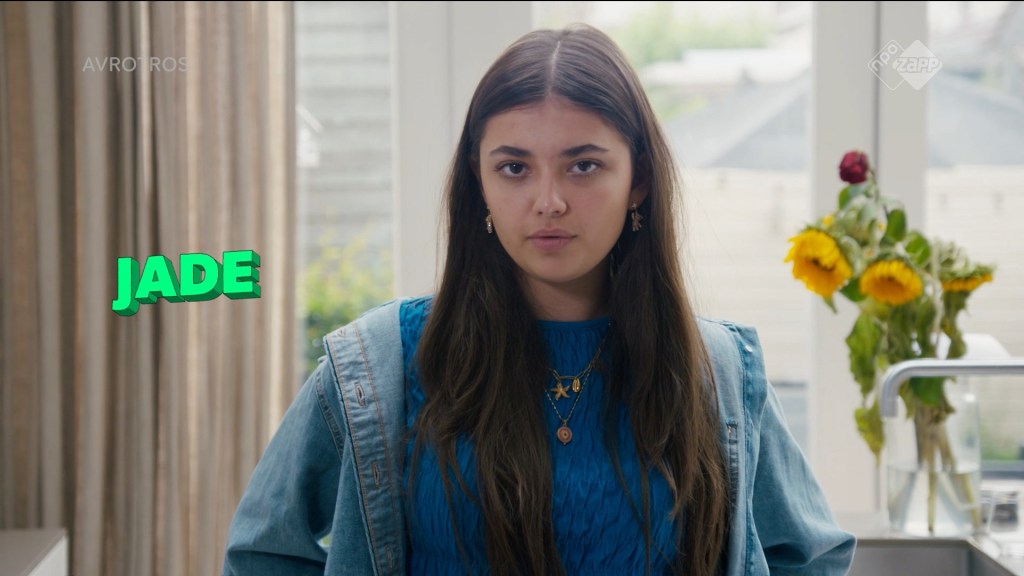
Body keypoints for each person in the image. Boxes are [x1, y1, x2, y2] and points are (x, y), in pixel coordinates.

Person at [222, 23, 856, 576]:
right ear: (479, 181)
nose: (548, 201)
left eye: (583, 166)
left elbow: (809, 557)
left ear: (637, 180)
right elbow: (262, 553)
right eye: (514, 168)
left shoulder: (716, 370)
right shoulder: (380, 364)